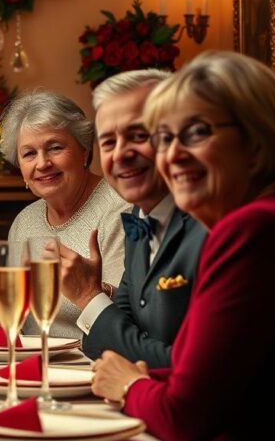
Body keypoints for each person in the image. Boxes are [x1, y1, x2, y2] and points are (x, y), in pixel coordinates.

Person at [92, 51, 275, 441]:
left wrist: (131, 385)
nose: (172, 154)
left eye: (195, 133)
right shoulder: (271, 217)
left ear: (256, 144)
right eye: (165, 137)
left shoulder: (254, 228)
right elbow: (207, 374)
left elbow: (184, 417)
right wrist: (140, 380)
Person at [64, 70, 206, 368]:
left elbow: (185, 365)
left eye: (138, 135)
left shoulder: (211, 224)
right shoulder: (137, 219)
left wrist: (88, 297)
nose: (120, 154)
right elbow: (113, 343)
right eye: (108, 142)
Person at [0, 91, 130, 338]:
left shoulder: (120, 210)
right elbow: (15, 311)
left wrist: (91, 289)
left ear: (83, 151)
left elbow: (129, 310)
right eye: (29, 154)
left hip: (93, 364)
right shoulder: (24, 222)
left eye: (55, 147)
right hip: (34, 363)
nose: (42, 163)